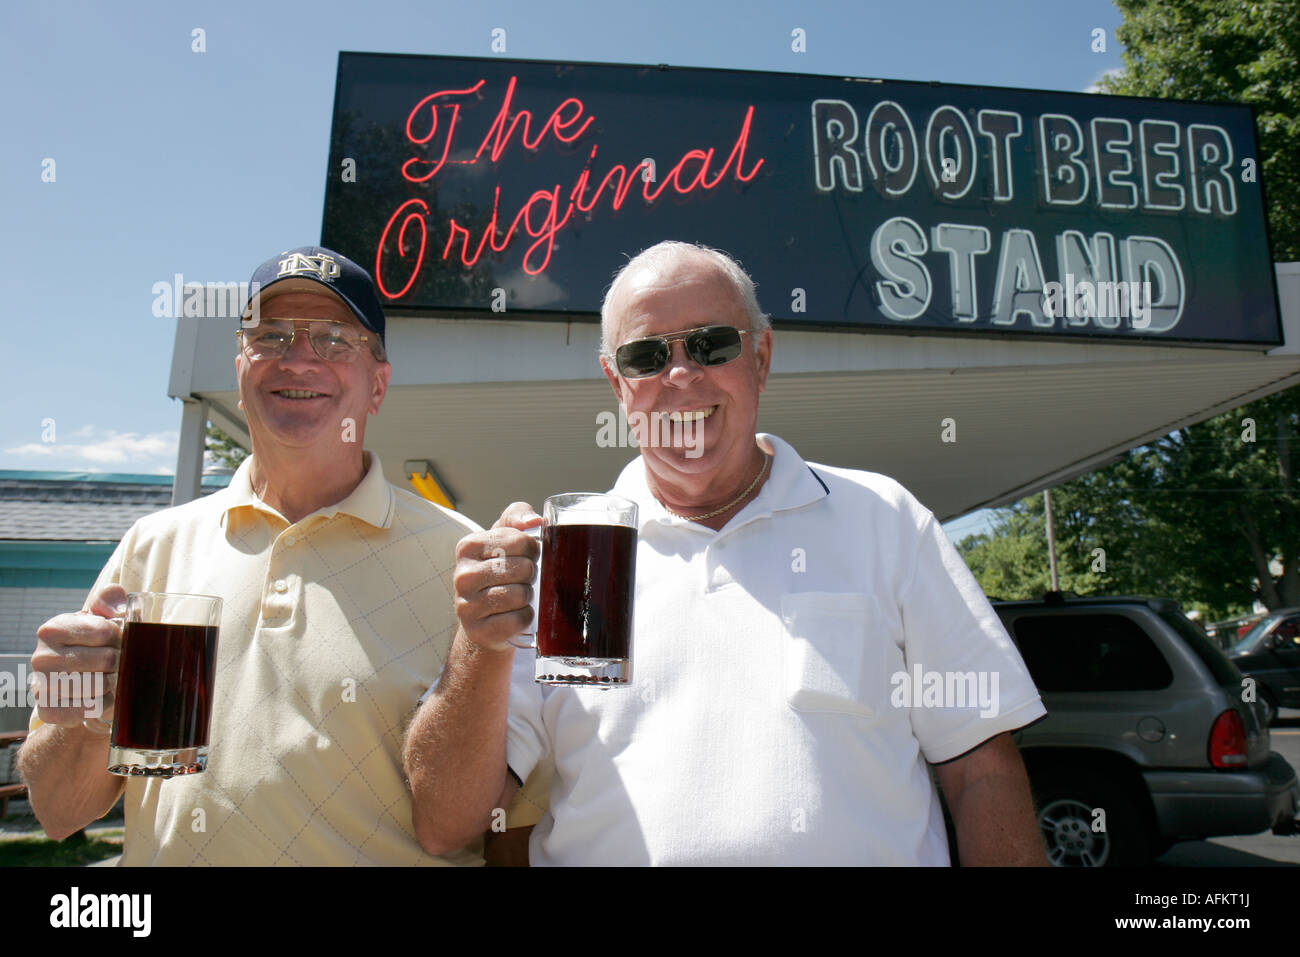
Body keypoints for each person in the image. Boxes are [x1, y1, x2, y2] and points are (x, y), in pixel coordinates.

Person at [405, 241, 1048, 865]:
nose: (680, 375)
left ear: (761, 357)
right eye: (645, 356)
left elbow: (980, 769)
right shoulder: (572, 559)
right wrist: (480, 649)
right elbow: (447, 825)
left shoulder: (885, 520)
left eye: (712, 344)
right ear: (616, 382)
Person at [18, 246, 484, 865]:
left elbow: (506, 826)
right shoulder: (154, 546)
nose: (298, 358)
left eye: (333, 339)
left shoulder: (465, 560)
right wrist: (78, 715)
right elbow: (55, 812)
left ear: (378, 385)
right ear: (241, 368)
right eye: (271, 336)